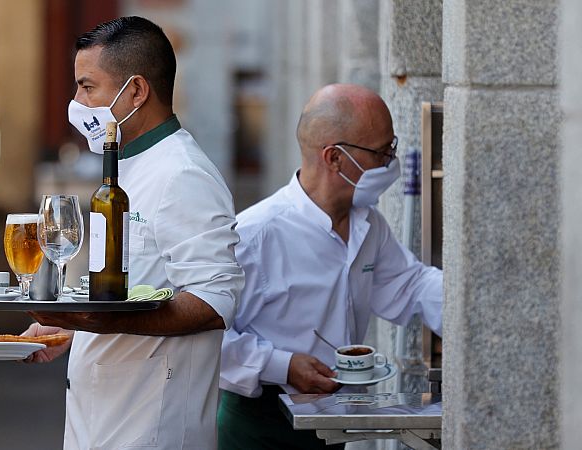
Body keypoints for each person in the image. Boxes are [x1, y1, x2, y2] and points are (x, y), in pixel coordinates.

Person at [22, 17, 245, 449]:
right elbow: (135, 286)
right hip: (101, 421)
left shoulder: (183, 173)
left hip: (153, 429)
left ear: (137, 91)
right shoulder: (126, 165)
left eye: (88, 88)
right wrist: (74, 329)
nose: (77, 102)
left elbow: (217, 301)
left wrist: (99, 321)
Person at [217, 84, 443, 449]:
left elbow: (411, 285)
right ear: (334, 158)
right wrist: (282, 366)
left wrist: (475, 312)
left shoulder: (368, 225)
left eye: (392, 149)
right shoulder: (255, 234)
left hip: (329, 422)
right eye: (382, 152)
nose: (391, 163)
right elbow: (207, 337)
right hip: (259, 427)